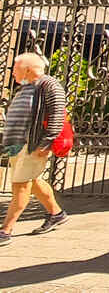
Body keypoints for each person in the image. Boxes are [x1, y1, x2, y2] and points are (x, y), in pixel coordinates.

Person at [2, 52, 69, 246]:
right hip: (19, 144)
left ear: (28, 69)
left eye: (15, 68)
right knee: (33, 181)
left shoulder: (49, 85)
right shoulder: (26, 87)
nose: (13, 72)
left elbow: (57, 115)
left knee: (20, 185)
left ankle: (6, 230)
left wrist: (46, 142)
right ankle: (56, 214)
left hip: (33, 144)